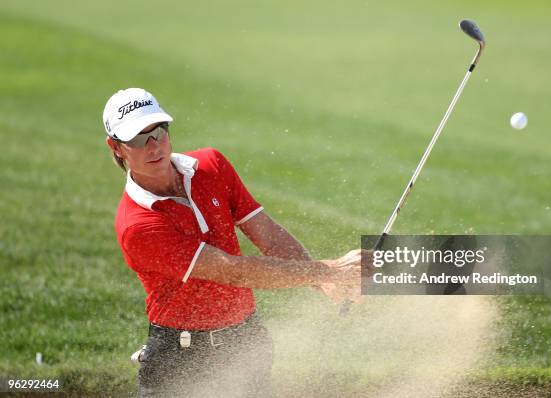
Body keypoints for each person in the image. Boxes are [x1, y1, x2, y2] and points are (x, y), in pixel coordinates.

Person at [102, 88, 361, 397]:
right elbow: (234, 272)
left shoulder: (211, 165)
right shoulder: (138, 224)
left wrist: (322, 282)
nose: (154, 145)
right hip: (181, 361)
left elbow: (266, 234)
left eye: (159, 131)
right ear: (117, 148)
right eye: (138, 139)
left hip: (246, 343)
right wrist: (325, 271)